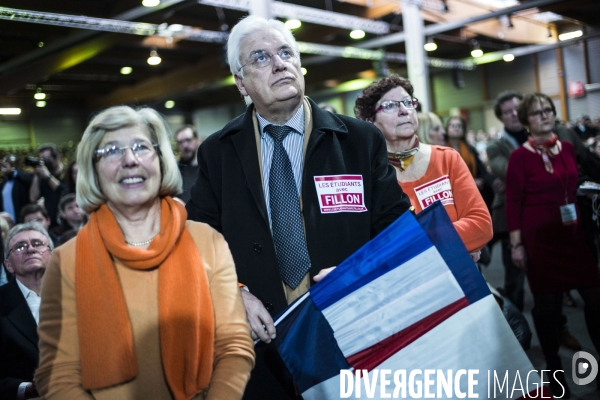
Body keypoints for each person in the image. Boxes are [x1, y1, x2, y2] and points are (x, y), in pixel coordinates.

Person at [186, 15, 411, 400]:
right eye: (260, 58)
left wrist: (357, 273)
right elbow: (199, 240)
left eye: (286, 52)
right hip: (262, 345)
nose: (279, 63)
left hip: (352, 327)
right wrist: (234, 292)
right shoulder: (217, 152)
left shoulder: (359, 140)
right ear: (241, 83)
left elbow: (398, 227)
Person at [35, 106, 254, 400]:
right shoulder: (65, 261)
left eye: (141, 147)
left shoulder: (208, 242)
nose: (129, 160)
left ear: (161, 159)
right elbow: (58, 374)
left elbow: (234, 346)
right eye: (112, 151)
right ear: (92, 170)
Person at [505, 93, 600, 398]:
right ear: (526, 122)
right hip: (540, 241)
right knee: (548, 310)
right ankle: (555, 373)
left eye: (548, 110)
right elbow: (512, 202)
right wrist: (517, 246)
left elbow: (571, 183)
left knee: (596, 302)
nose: (544, 116)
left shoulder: (569, 147)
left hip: (573, 236)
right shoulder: (519, 156)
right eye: (536, 113)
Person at [354, 75, 492, 259]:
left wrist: (409, 242)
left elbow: (481, 226)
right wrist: (454, 242)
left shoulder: (447, 159)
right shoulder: (366, 174)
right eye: (390, 105)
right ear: (370, 120)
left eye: (407, 102)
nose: (404, 110)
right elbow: (369, 245)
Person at [1, 222, 54, 399]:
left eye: (37, 244)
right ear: (8, 265)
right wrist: (26, 389)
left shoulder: (81, 295)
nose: (30, 249)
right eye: (20, 247)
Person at [486, 91, 528, 311]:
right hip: (509, 218)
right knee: (515, 277)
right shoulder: (495, 146)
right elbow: (507, 171)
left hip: (541, 215)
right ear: (500, 117)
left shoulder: (541, 136)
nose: (514, 114)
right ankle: (518, 327)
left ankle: (559, 329)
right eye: (507, 112)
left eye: (517, 109)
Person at [29, 144, 67, 228]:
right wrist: (37, 176)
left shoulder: (68, 173)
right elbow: (33, 198)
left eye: (47, 159)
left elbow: (63, 191)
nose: (45, 162)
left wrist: (48, 176)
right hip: (51, 223)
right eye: (42, 159)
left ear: (58, 157)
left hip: (67, 221)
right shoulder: (43, 177)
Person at [1, 155, 33, 224]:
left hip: (23, 220)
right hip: (8, 223)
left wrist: (14, 172)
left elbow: (30, 180)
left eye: (9, 164)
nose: (4, 168)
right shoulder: (4, 182)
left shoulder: (25, 177)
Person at [175, 125, 201, 203]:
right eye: (180, 142)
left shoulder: (209, 167)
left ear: (198, 141)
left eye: (188, 140)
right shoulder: (176, 171)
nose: (185, 145)